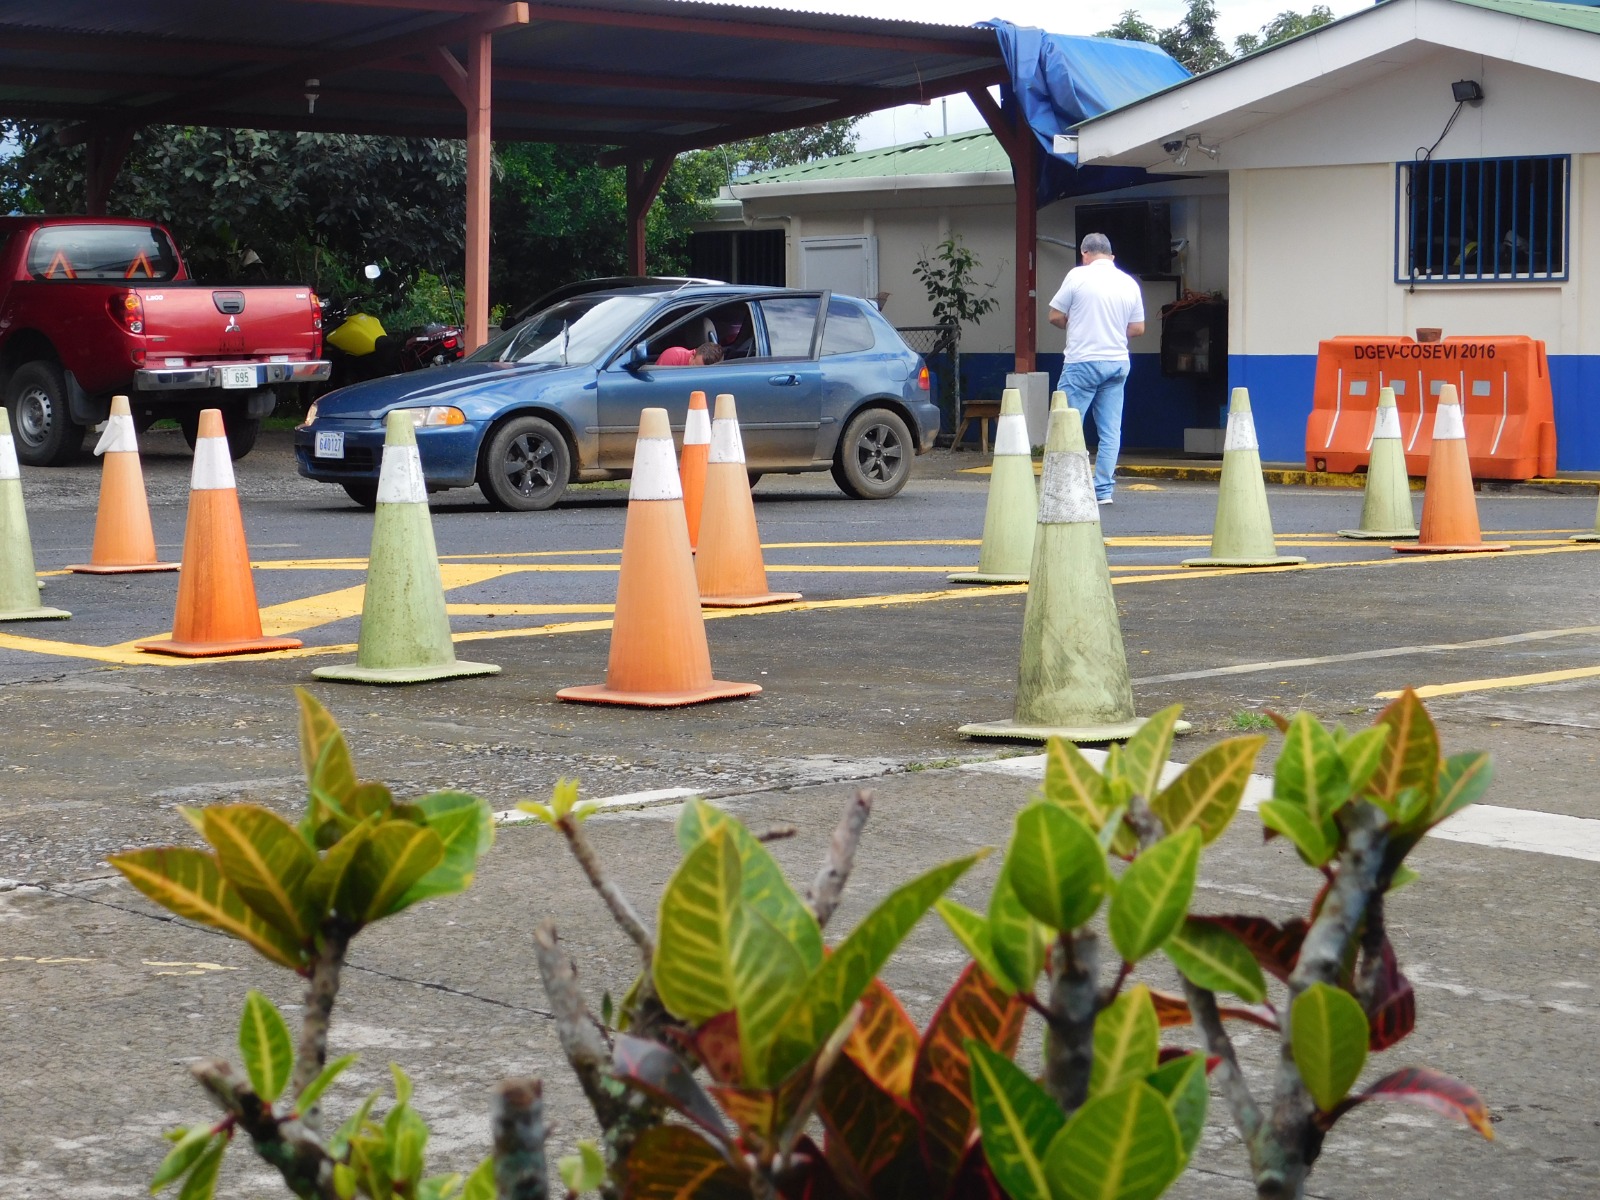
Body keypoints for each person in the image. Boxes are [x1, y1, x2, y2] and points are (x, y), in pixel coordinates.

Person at [1047, 232, 1145, 505]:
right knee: (1110, 431)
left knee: (1067, 424)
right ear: (1112, 256)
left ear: (1084, 254)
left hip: (1082, 362)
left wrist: (1075, 324)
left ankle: (1066, 487)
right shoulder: (1129, 283)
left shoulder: (1077, 276)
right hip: (1117, 363)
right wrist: (1112, 330)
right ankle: (1103, 491)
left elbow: (1054, 315)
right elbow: (1138, 328)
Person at [656, 341, 724, 367]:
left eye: (701, 371)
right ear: (692, 355)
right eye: (694, 365)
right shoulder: (673, 356)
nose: (696, 373)